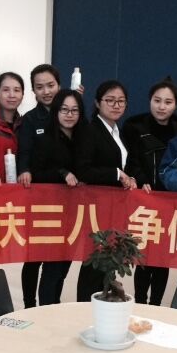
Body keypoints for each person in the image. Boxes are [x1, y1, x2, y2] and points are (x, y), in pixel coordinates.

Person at [124, 78, 177, 305]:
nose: (162, 107)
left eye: (168, 102)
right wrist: (141, 180)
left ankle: (156, 306)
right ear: (150, 100)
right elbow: (130, 160)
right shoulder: (134, 126)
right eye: (157, 100)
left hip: (172, 202)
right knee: (144, 256)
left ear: (176, 105)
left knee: (163, 258)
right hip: (144, 199)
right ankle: (140, 303)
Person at [74, 80, 141, 300]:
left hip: (114, 208)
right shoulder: (90, 130)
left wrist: (130, 177)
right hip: (96, 207)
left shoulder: (118, 131)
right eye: (110, 100)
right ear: (97, 103)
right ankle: (84, 306)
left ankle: (100, 303)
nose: (116, 105)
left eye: (121, 101)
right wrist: (116, 174)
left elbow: (125, 164)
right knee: (94, 261)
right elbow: (83, 169)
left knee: (108, 260)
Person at [26, 89, 85, 304]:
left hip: (74, 213)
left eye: (74, 110)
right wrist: (63, 173)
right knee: (51, 267)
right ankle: (44, 308)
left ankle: (54, 305)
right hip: (49, 213)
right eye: (64, 110)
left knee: (63, 267)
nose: (69, 115)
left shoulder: (83, 138)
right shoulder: (45, 138)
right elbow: (37, 174)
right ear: (56, 111)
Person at [18, 64, 61, 307]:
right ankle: (28, 304)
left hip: (64, 197)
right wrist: (24, 170)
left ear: (59, 85)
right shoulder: (30, 119)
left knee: (58, 256)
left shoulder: (69, 114)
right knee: (33, 256)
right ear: (33, 90)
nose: (46, 91)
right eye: (40, 87)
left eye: (50, 85)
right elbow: (24, 151)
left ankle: (52, 302)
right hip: (37, 196)